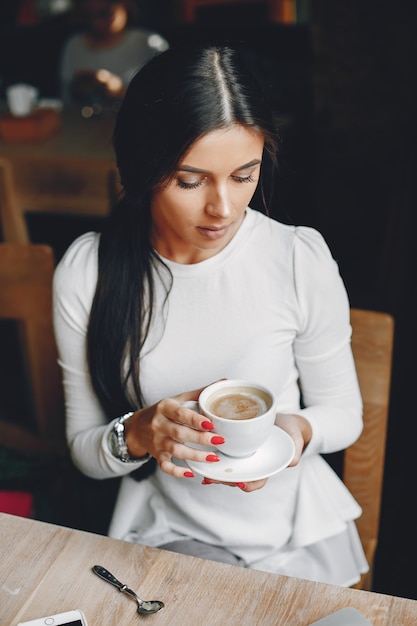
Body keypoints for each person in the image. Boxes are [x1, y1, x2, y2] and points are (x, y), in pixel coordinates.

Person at [53, 44, 369, 586]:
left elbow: (344, 413)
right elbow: (85, 448)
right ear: (140, 167)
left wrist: (293, 432)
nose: (223, 208)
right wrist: (139, 433)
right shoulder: (89, 270)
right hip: (167, 536)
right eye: (190, 181)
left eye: (244, 175)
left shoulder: (296, 258)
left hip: (294, 537)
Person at [59, 0, 169, 107]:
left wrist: (120, 91)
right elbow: (65, 101)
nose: (97, 23)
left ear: (124, 4)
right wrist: (78, 90)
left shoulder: (149, 44)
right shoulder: (74, 46)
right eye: (90, 16)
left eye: (105, 13)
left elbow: (168, 97)